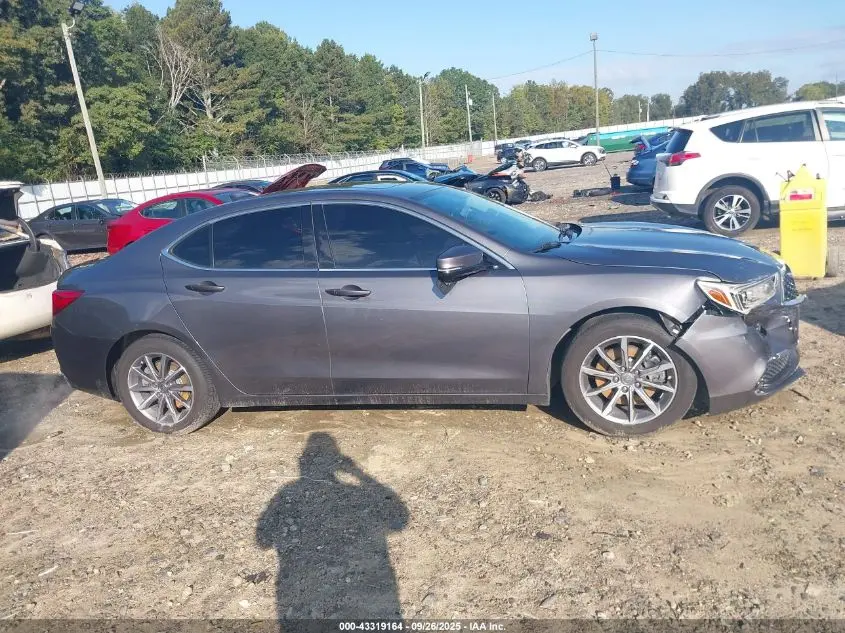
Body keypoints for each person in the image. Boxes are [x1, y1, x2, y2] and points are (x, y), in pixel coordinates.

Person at [257, 432, 409, 622]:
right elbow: (400, 519)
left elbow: (262, 540)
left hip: (301, 596)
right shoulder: (355, 492)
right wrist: (359, 474)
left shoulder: (287, 492)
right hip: (364, 589)